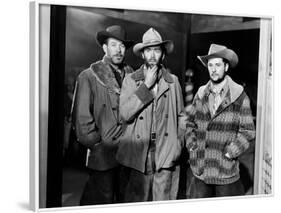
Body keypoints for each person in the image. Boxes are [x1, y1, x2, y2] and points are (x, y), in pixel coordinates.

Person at [116, 28, 186, 202]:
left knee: (163, 199)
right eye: (148, 50)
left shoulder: (173, 81)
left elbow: (182, 116)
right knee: (137, 200)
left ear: (162, 54)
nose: (152, 55)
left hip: (165, 149)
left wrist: (177, 144)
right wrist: (146, 86)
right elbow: (125, 114)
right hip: (140, 151)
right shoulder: (131, 80)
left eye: (156, 50)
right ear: (142, 54)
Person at [71, 25, 134, 205]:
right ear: (105, 48)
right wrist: (99, 144)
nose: (119, 50)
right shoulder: (88, 76)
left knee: (125, 201)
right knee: (100, 201)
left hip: (127, 154)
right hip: (103, 156)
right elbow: (82, 122)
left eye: (122, 46)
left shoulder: (132, 75)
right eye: (114, 45)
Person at [185, 44, 256, 198]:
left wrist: (231, 152)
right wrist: (192, 145)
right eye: (210, 65)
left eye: (218, 65)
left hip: (225, 171)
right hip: (201, 169)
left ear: (226, 66)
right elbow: (190, 123)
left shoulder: (239, 96)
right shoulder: (200, 94)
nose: (214, 69)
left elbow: (248, 131)